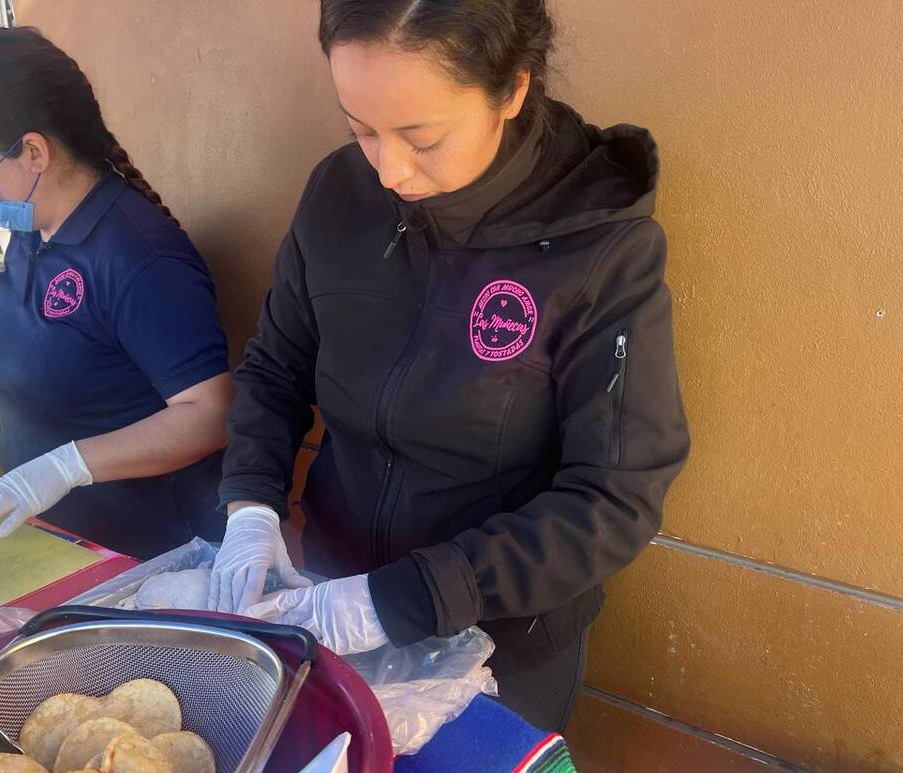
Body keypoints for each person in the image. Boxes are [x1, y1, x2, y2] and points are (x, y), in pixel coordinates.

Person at [211, 0, 690, 731]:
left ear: (512, 90)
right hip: (328, 592)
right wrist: (249, 503)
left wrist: (396, 600)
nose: (389, 168)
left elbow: (614, 500)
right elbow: (276, 366)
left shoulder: (600, 252)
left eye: (422, 137)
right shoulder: (338, 193)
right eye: (360, 128)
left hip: (499, 644)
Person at [0, 27, 232, 558]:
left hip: (144, 558)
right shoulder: (31, 227)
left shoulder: (138, 256)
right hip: (53, 542)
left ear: (34, 152)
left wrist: (68, 465)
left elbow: (210, 411)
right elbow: (52, 333)